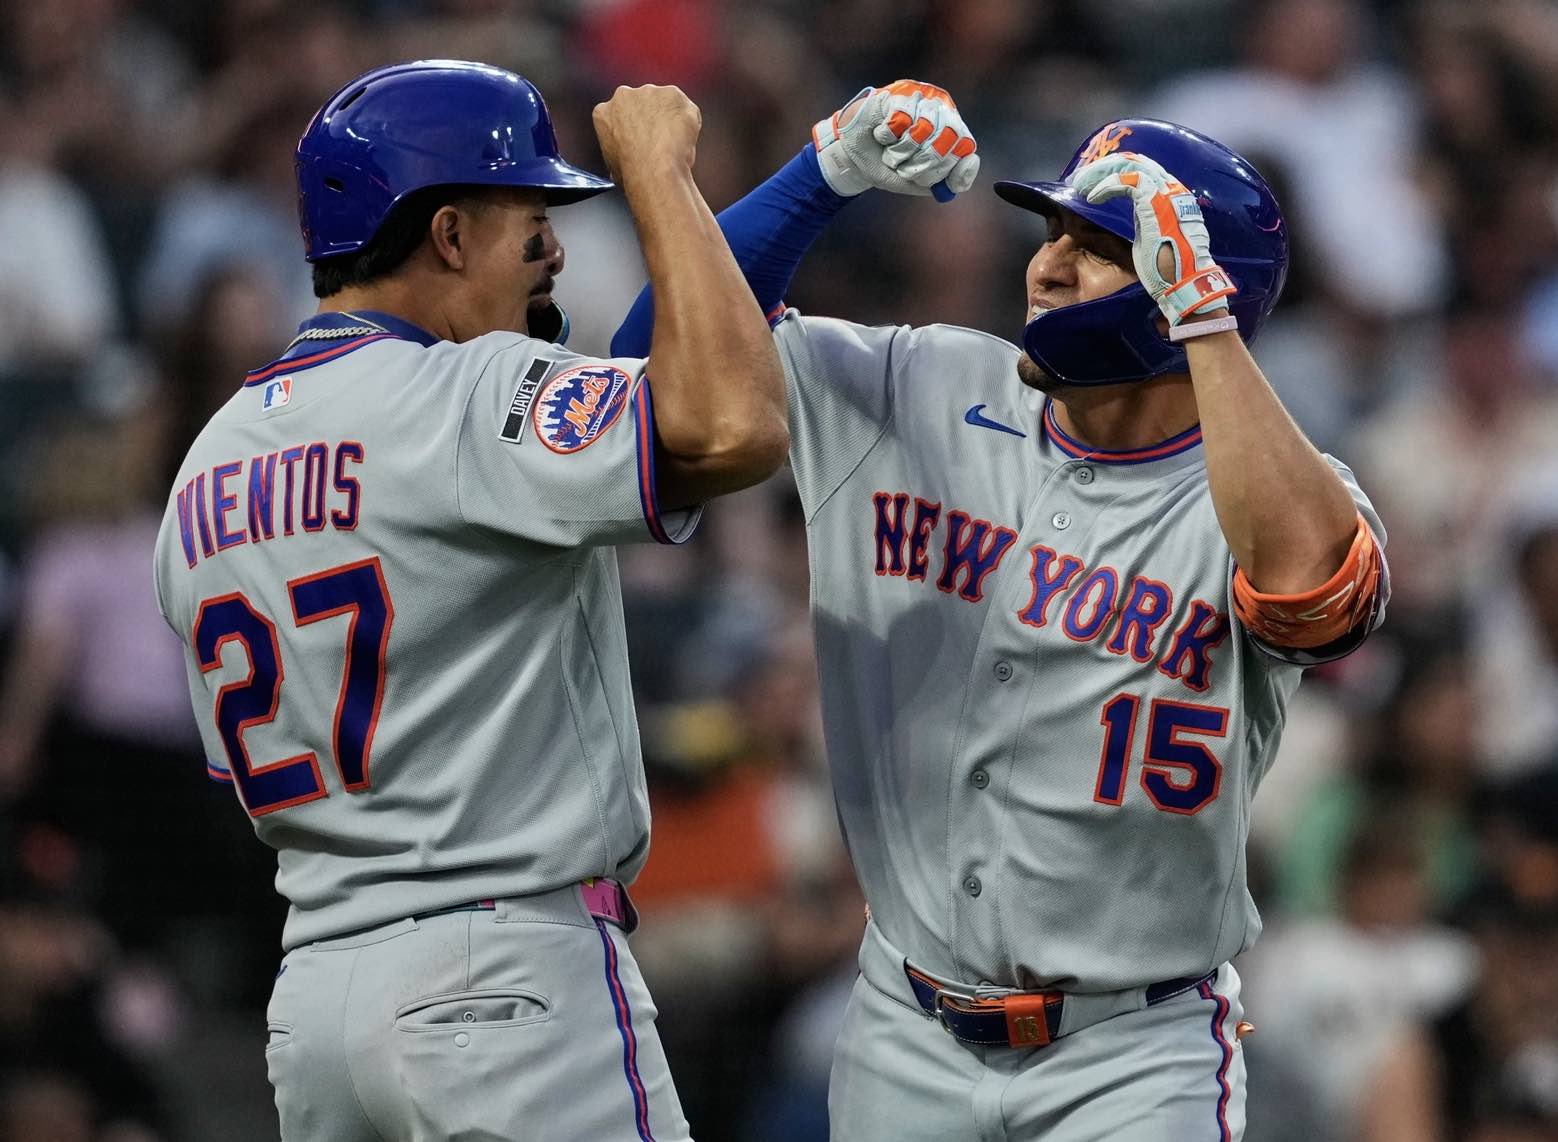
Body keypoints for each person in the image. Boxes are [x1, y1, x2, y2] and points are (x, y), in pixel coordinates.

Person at [613, 82, 1389, 1140]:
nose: (1048, 266)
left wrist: (1202, 323)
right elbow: (644, 379)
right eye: (1052, 232)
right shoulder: (919, 383)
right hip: (902, 1026)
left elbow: (1315, 600)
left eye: (1101, 247)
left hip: (1133, 1054)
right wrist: (818, 177)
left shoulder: (1279, 492)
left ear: (1198, 284)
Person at [151, 59, 787, 1141]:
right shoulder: (462, 391)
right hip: (501, 978)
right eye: (532, 222)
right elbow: (734, 425)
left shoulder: (204, 466)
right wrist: (660, 178)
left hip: (315, 1000)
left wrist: (811, 180)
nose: (555, 252)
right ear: (448, 236)